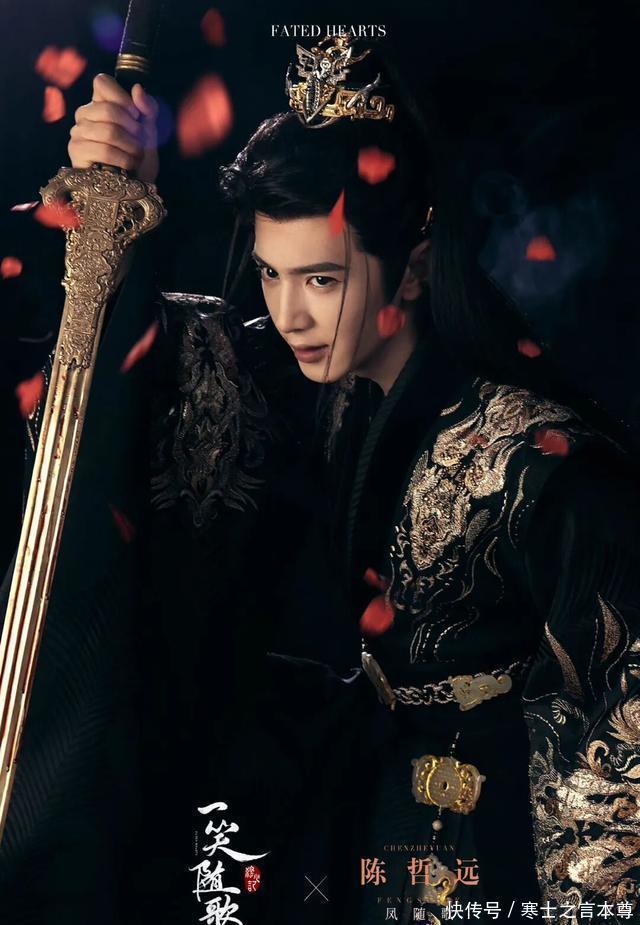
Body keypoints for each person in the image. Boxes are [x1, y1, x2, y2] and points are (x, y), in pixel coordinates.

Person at [7, 34, 640, 925]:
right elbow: (156, 368)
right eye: (271, 273)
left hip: (494, 842)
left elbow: (615, 763)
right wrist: (123, 201)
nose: (288, 312)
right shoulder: (313, 381)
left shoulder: (542, 467)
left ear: (414, 266)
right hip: (355, 807)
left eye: (321, 278)